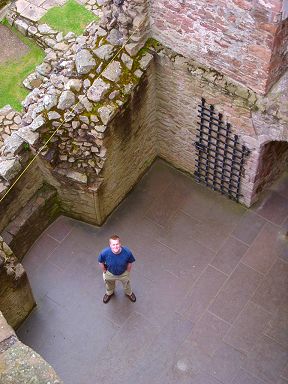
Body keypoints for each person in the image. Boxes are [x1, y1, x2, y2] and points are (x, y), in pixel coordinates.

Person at [98, 235, 136, 304]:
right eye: (113, 244)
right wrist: (104, 271)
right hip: (110, 273)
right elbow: (100, 261)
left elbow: (130, 262)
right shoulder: (104, 252)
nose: (115, 246)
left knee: (127, 283)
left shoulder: (127, 252)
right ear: (110, 245)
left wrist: (127, 272)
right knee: (108, 284)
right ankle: (109, 293)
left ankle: (129, 293)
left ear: (120, 244)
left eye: (117, 244)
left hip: (123, 273)